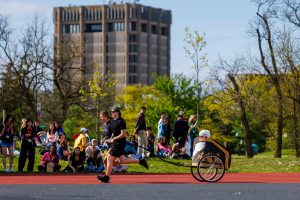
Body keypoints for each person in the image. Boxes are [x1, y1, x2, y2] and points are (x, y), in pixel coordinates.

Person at [97, 107, 149, 183]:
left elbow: (123, 134)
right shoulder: (112, 121)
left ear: (117, 112)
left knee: (109, 158)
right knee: (122, 160)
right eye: (111, 112)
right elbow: (113, 133)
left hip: (119, 143)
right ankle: (140, 161)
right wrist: (110, 139)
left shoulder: (121, 121)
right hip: (115, 143)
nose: (112, 113)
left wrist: (114, 139)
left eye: (113, 112)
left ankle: (107, 177)